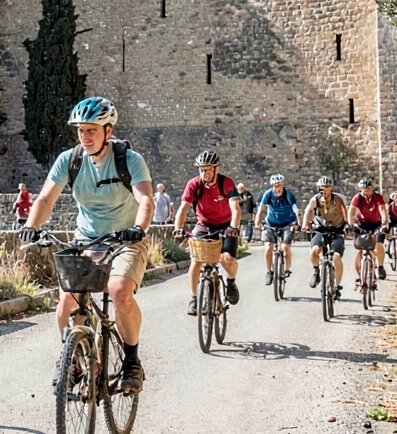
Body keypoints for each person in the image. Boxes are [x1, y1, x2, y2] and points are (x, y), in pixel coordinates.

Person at [19, 97, 154, 394]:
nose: (85, 136)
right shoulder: (70, 160)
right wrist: (31, 226)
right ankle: (75, 360)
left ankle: (131, 363)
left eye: (92, 130)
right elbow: (45, 199)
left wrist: (137, 229)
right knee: (68, 300)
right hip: (87, 240)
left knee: (119, 291)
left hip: (124, 240)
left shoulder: (129, 160)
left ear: (108, 130)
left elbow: (145, 200)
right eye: (81, 130)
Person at [173, 151, 242, 314]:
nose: (205, 173)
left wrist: (233, 227)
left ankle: (231, 282)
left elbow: (236, 209)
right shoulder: (194, 185)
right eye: (202, 170)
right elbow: (183, 209)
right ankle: (193, 298)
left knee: (227, 260)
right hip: (204, 225)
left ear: (216, 169)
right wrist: (178, 228)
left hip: (226, 225)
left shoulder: (226, 183)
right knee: (196, 261)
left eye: (209, 169)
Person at [301, 177, 350, 300]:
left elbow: (345, 211)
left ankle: (337, 286)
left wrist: (348, 224)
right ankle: (316, 272)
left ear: (331, 188)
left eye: (327, 188)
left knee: (336, 257)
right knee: (314, 250)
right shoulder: (315, 200)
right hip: (320, 229)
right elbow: (308, 211)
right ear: (318, 188)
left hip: (336, 230)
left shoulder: (337, 199)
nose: (325, 190)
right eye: (322, 188)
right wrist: (305, 225)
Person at [255, 174, 299, 286]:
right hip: (271, 223)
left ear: (283, 185)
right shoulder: (268, 194)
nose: (277, 188)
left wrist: (297, 223)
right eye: (275, 186)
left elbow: (295, 210)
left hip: (287, 223)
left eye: (279, 185)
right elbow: (261, 208)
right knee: (269, 247)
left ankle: (287, 268)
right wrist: (257, 220)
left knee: (285, 247)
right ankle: (269, 272)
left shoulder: (288, 194)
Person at [348, 178, 389, 287]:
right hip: (361, 224)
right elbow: (351, 212)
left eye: (367, 189)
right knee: (360, 250)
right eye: (363, 190)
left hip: (376, 224)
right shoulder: (357, 198)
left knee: (379, 245)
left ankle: (380, 266)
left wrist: (384, 223)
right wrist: (350, 225)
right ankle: (360, 275)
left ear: (371, 189)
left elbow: (383, 210)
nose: (365, 191)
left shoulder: (378, 197)